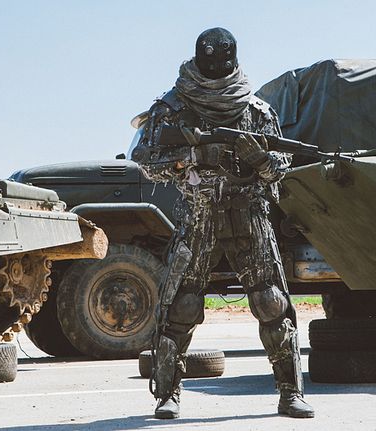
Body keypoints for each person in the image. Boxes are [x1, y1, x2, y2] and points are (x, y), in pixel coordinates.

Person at [132, 28, 314, 419]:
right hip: (199, 216)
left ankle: (290, 392)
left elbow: (281, 169)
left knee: (272, 303)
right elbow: (146, 161)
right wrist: (192, 157)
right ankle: (167, 394)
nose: (216, 71)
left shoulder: (256, 110)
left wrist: (261, 160)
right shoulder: (173, 107)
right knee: (182, 306)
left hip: (250, 215)